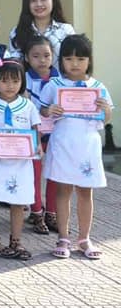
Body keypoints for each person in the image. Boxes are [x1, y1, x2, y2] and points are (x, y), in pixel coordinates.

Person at [41, 34, 113, 260]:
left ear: (89, 60)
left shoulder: (97, 86)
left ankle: (84, 238)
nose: (75, 64)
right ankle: (63, 237)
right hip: (63, 142)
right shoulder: (54, 85)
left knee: (85, 191)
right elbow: (41, 109)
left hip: (87, 145)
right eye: (69, 58)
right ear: (61, 60)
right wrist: (49, 110)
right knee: (62, 190)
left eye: (81, 59)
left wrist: (105, 110)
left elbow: (107, 118)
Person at [0, 60, 38, 260]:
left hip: (20, 161)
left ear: (22, 82)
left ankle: (16, 240)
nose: (10, 85)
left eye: (15, 81)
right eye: (4, 81)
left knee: (18, 200)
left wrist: (37, 146)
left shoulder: (28, 106)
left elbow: (35, 129)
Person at [23, 36, 59, 234]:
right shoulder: (23, 79)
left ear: (53, 56)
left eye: (46, 55)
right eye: (36, 56)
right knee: (34, 175)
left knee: (54, 175)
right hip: (32, 135)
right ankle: (37, 212)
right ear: (27, 58)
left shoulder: (61, 79)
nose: (42, 60)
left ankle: (51, 213)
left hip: (56, 135)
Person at [7, 0, 75, 60]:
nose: (39, 4)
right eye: (33, 0)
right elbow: (15, 62)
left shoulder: (66, 30)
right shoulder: (17, 32)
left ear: (53, 1)